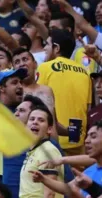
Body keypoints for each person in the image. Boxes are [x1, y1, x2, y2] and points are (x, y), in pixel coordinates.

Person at [37, 28, 91, 156]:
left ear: (56, 48)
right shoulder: (85, 73)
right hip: (78, 141)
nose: (45, 48)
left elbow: (37, 102)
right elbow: (88, 109)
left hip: (52, 141)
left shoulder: (44, 67)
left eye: (48, 44)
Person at [19, 105, 64, 198]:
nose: (35, 122)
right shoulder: (35, 151)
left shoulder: (48, 151)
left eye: (41, 120)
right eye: (32, 119)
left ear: (49, 129)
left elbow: (50, 194)